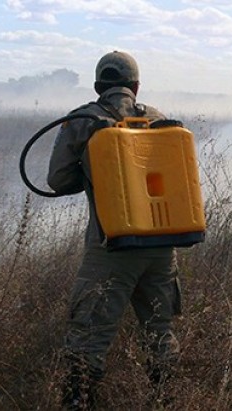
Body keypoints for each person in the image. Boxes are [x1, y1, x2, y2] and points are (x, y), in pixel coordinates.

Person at [48, 51, 181, 409]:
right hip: (162, 247)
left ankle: (78, 403)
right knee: (160, 331)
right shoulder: (159, 119)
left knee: (88, 337)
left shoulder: (84, 120)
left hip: (112, 247)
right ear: (136, 87)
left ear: (97, 86)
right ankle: (165, 400)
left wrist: (93, 176)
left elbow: (57, 180)